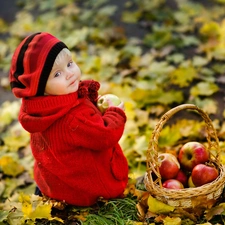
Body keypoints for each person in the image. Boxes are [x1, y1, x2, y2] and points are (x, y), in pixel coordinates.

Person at [9, 32, 128, 206]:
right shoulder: (74, 117)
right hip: (86, 192)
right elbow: (105, 135)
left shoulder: (40, 111)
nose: (69, 73)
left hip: (56, 184)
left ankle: (47, 192)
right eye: (57, 74)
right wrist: (114, 113)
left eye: (70, 64)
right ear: (39, 87)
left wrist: (94, 104)